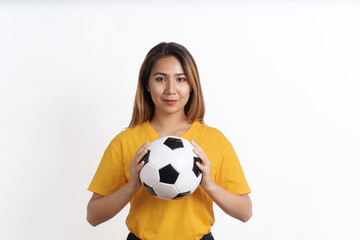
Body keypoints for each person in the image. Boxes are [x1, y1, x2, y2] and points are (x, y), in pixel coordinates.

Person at [86, 42, 252, 240]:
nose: (171, 89)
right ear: (147, 84)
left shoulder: (214, 140)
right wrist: (131, 186)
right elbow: (93, 216)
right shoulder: (125, 141)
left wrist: (209, 185)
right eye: (160, 79)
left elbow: (245, 212)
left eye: (181, 79)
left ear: (192, 85)